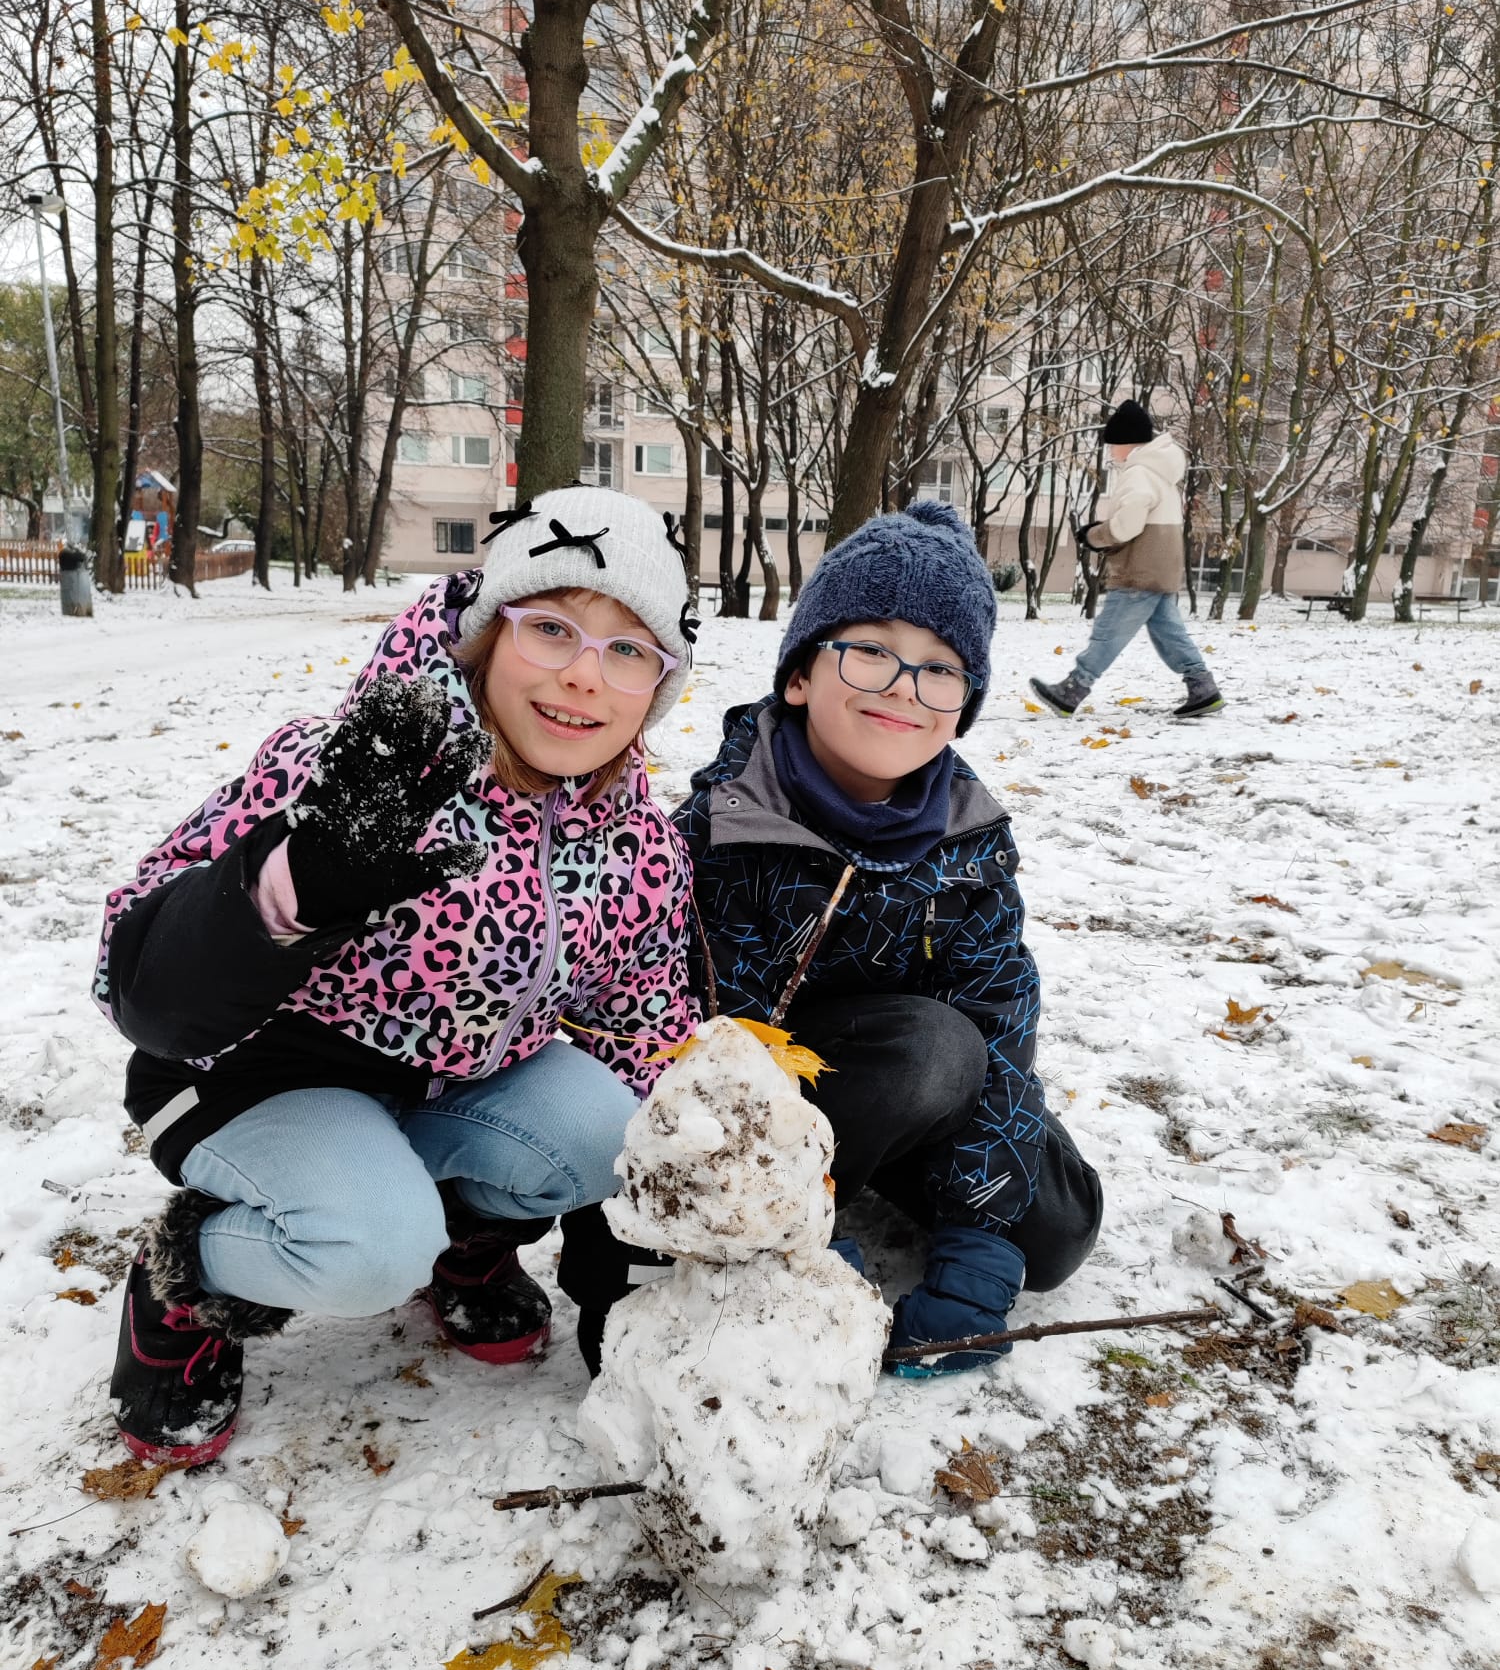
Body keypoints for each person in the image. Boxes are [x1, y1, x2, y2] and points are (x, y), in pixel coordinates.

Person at [94, 487, 700, 1464]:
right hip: (247, 1081)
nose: (585, 675)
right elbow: (140, 988)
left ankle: (457, 1247)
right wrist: (296, 880)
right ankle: (185, 1281)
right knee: (371, 1245)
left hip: (436, 1091)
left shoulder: (638, 844)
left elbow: (642, 1013)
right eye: (551, 627)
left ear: (658, 685)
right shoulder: (350, 770)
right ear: (486, 633)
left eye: (629, 650)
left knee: (612, 1131)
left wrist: (695, 1144)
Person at [558, 499, 1102, 1377]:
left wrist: (979, 1234)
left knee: (1055, 1232)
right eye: (872, 651)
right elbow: (681, 1054)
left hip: (921, 1096)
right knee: (932, 1047)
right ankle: (807, 1202)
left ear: (963, 704)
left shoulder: (972, 844)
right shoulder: (723, 832)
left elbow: (1000, 1020)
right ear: (801, 676)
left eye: (941, 668)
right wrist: (788, 1232)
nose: (904, 686)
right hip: (775, 1100)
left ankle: (910, 1177)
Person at [1031, 399, 1224, 720]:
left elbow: (1126, 526)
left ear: (1128, 442)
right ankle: (1203, 688)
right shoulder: (1161, 474)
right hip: (1161, 568)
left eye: (1113, 445)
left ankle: (1073, 690)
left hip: (1139, 569)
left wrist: (1094, 536)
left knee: (1108, 632)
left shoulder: (1139, 473)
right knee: (1170, 634)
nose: (1110, 452)